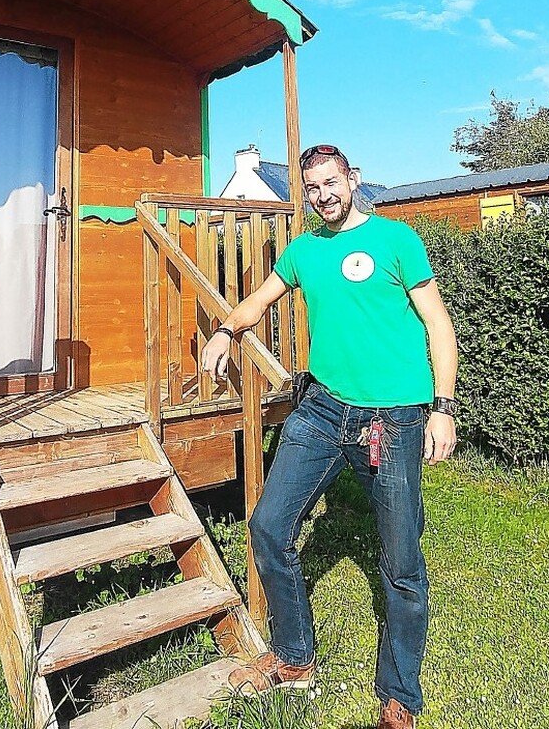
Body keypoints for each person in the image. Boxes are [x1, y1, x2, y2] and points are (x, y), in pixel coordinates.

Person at [200, 144, 458, 729]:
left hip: (393, 416)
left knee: (400, 560)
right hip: (321, 408)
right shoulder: (303, 250)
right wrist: (225, 331)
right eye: (311, 188)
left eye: (330, 183)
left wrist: (441, 408)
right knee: (269, 526)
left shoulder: (397, 241)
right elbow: (261, 301)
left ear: (353, 179)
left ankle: (400, 695)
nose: (322, 196)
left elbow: (438, 323)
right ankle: (295, 661)